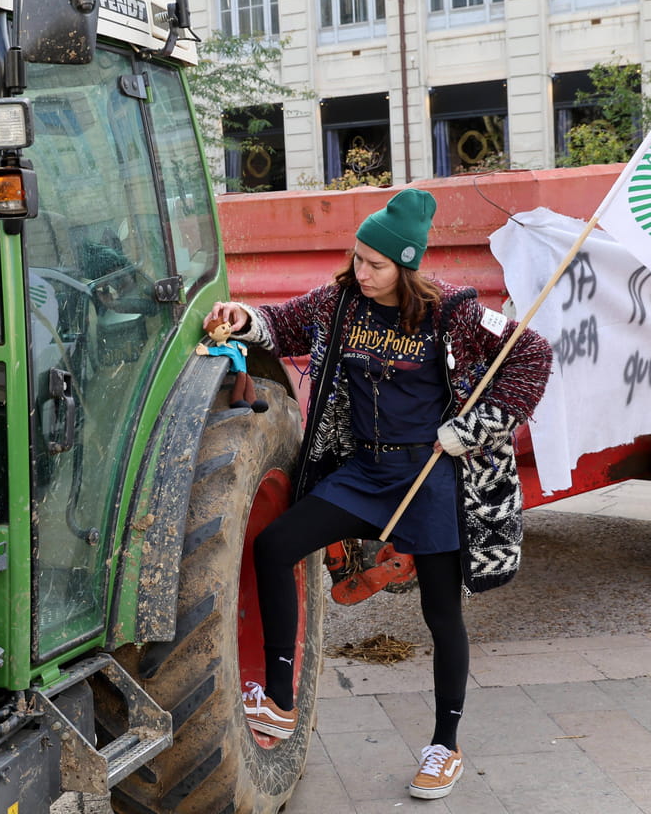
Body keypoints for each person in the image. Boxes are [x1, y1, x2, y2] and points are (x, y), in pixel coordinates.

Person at [206, 188, 552, 801]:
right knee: (274, 545)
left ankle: (445, 746)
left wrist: (472, 430)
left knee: (441, 614)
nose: (361, 273)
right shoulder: (343, 303)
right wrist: (241, 317)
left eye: (376, 264)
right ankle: (282, 702)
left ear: (406, 264)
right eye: (358, 259)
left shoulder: (454, 315)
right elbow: (281, 324)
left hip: (431, 477)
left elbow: (532, 356)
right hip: (365, 474)